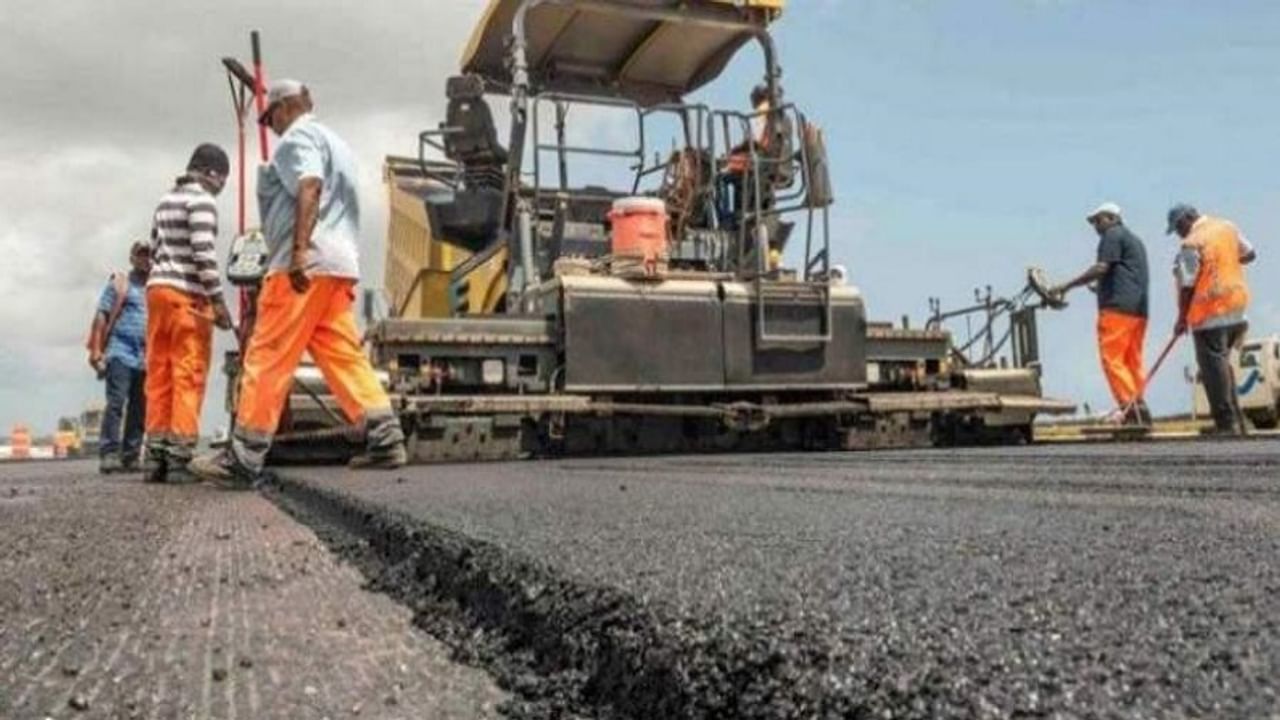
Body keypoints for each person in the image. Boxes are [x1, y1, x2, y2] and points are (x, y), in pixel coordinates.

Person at [190, 79, 407, 488]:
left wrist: (299, 252)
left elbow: (310, 185)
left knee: (268, 354)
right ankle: (384, 436)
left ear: (286, 107)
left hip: (304, 267)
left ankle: (243, 457)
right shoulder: (338, 144)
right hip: (341, 265)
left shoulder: (298, 139)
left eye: (271, 117)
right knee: (342, 354)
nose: (271, 127)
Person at [145, 143, 235, 482]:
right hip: (187, 297)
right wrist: (218, 302)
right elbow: (204, 257)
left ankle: (154, 458)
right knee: (189, 372)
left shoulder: (165, 200)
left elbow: (154, 248)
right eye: (222, 180)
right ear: (211, 174)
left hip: (157, 292)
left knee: (159, 373)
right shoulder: (203, 202)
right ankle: (180, 458)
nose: (221, 188)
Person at [1051, 202, 1151, 425]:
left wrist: (1066, 285)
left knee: (1112, 359)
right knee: (1131, 361)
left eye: (1098, 220)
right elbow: (1127, 274)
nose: (1096, 226)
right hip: (1138, 311)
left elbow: (1101, 268)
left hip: (1116, 310)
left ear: (1113, 218)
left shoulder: (1112, 236)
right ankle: (1140, 408)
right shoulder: (1135, 240)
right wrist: (1103, 286)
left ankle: (1129, 409)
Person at [1169, 203, 1257, 436]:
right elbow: (1249, 254)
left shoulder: (1192, 243)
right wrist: (1222, 263)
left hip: (1211, 313)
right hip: (1237, 308)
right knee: (1222, 366)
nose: (1179, 233)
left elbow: (1187, 285)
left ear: (1187, 219)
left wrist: (1181, 319)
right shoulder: (1226, 227)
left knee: (1212, 370)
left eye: (1178, 227)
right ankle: (1238, 421)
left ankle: (1226, 424)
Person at [87, 241, 151, 473]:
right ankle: (109, 453)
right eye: (141, 255)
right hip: (120, 351)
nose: (145, 259)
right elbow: (102, 315)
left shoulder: (155, 287)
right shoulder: (120, 284)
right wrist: (96, 350)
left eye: (149, 255)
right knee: (116, 403)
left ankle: (131, 455)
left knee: (139, 407)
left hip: (145, 356)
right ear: (132, 258)